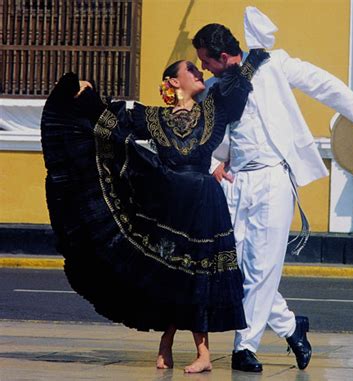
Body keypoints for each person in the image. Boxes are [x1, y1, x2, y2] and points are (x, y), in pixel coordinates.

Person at [40, 51, 268, 373]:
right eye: (191, 68)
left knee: (199, 275)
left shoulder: (212, 111)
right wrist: (86, 97)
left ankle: (203, 354)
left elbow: (235, 93)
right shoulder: (154, 117)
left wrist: (251, 60)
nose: (198, 71)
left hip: (205, 204)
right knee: (171, 275)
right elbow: (112, 124)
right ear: (175, 81)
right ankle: (166, 343)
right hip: (170, 201)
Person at [191, 7, 353, 373]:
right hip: (236, 181)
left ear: (222, 55)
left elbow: (324, 85)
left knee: (263, 268)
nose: (203, 70)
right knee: (232, 268)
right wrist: (212, 166)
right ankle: (290, 325)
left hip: (273, 178)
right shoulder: (216, 91)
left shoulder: (273, 65)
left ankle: (244, 347)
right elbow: (202, 140)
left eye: (206, 62)